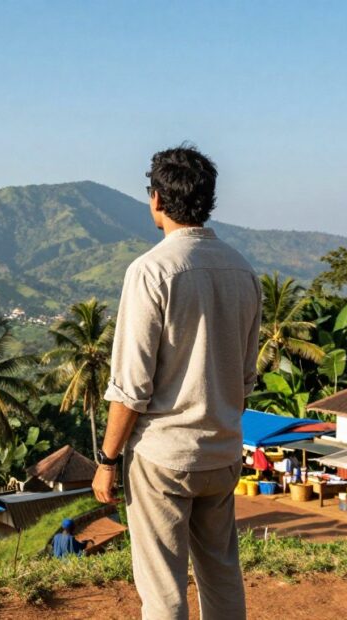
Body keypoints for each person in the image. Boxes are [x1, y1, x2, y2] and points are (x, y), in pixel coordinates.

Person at [92, 145, 261, 620]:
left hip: (164, 457)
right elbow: (245, 378)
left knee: (163, 591)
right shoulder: (243, 270)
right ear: (207, 200)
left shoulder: (151, 271)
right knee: (222, 577)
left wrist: (107, 460)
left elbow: (130, 387)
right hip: (222, 453)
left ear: (157, 200)